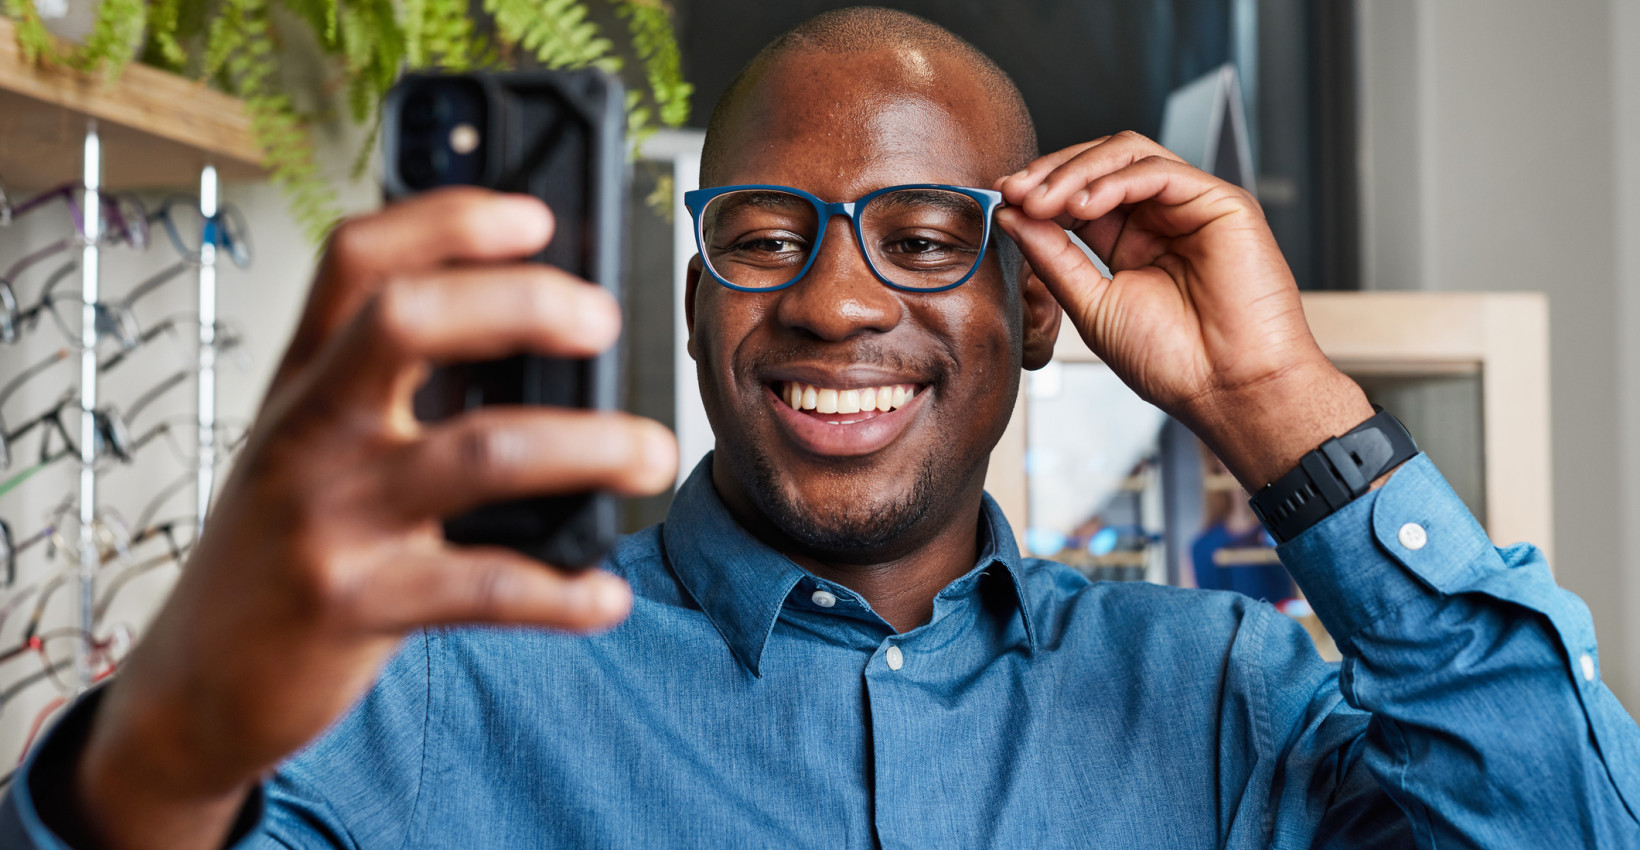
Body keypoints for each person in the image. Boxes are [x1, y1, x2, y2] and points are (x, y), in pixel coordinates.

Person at [6, 7, 1639, 848]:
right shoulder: (438, 684)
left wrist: (1290, 415)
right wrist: (178, 724)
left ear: (1043, 308)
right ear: (695, 277)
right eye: (770, 236)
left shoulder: (1230, 704)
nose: (841, 304)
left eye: (927, 236)